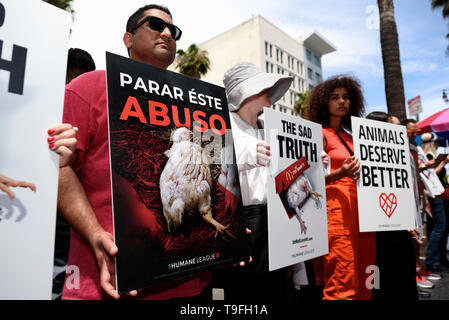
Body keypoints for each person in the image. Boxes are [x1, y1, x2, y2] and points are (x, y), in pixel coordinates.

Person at [57, 4, 212, 300]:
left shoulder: (196, 107)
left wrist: (232, 229)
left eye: (174, 30)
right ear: (128, 38)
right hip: (106, 281)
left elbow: (213, 180)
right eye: (155, 24)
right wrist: (94, 233)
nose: (167, 33)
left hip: (188, 285)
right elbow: (60, 170)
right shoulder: (89, 87)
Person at [218, 62, 295, 301]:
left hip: (275, 219)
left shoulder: (268, 128)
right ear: (247, 93)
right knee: (244, 292)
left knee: (276, 288)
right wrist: (246, 156)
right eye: (264, 87)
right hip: (242, 220)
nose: (271, 90)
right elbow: (206, 169)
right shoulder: (217, 122)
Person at [304, 75, 375, 300]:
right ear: (324, 102)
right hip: (336, 215)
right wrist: (340, 173)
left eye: (345, 97)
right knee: (341, 280)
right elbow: (306, 182)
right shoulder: (319, 135)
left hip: (364, 214)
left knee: (365, 277)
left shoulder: (353, 138)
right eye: (335, 97)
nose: (342, 101)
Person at [53, 49, 96, 300]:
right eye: (68, 83)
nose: (71, 91)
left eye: (79, 83)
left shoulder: (97, 112)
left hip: (77, 229)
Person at [365, 112, 417, 301]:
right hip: (376, 232)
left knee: (402, 273)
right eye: (391, 126)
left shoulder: (402, 154)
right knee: (379, 276)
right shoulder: (362, 156)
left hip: (400, 227)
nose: (397, 131)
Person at [420, 132, 449, 273]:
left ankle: (438, 258)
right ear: (431, 144)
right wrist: (443, 162)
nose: (438, 144)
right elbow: (431, 177)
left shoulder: (431, 157)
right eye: (436, 142)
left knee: (437, 228)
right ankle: (432, 260)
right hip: (435, 196)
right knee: (440, 227)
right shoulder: (429, 158)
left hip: (439, 196)